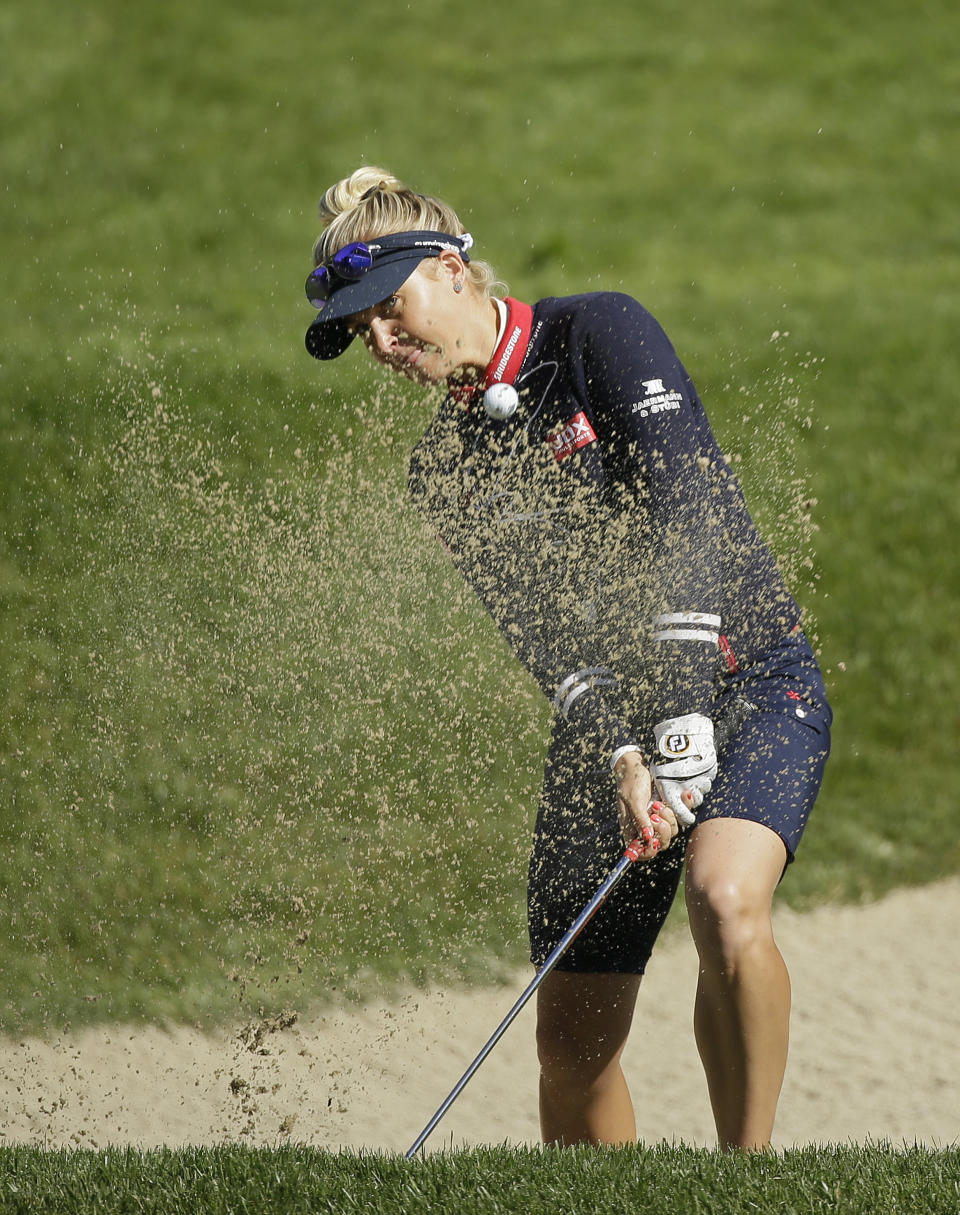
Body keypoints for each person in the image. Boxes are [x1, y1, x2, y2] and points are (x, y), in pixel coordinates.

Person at [302, 167, 832, 1151]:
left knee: (725, 899)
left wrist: (680, 716)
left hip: (753, 681)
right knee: (572, 1044)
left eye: (387, 307)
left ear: (452, 269)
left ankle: (753, 1184)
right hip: (617, 732)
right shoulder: (444, 469)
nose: (378, 342)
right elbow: (547, 641)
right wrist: (627, 757)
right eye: (357, 330)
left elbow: (684, 516)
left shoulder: (599, 334)